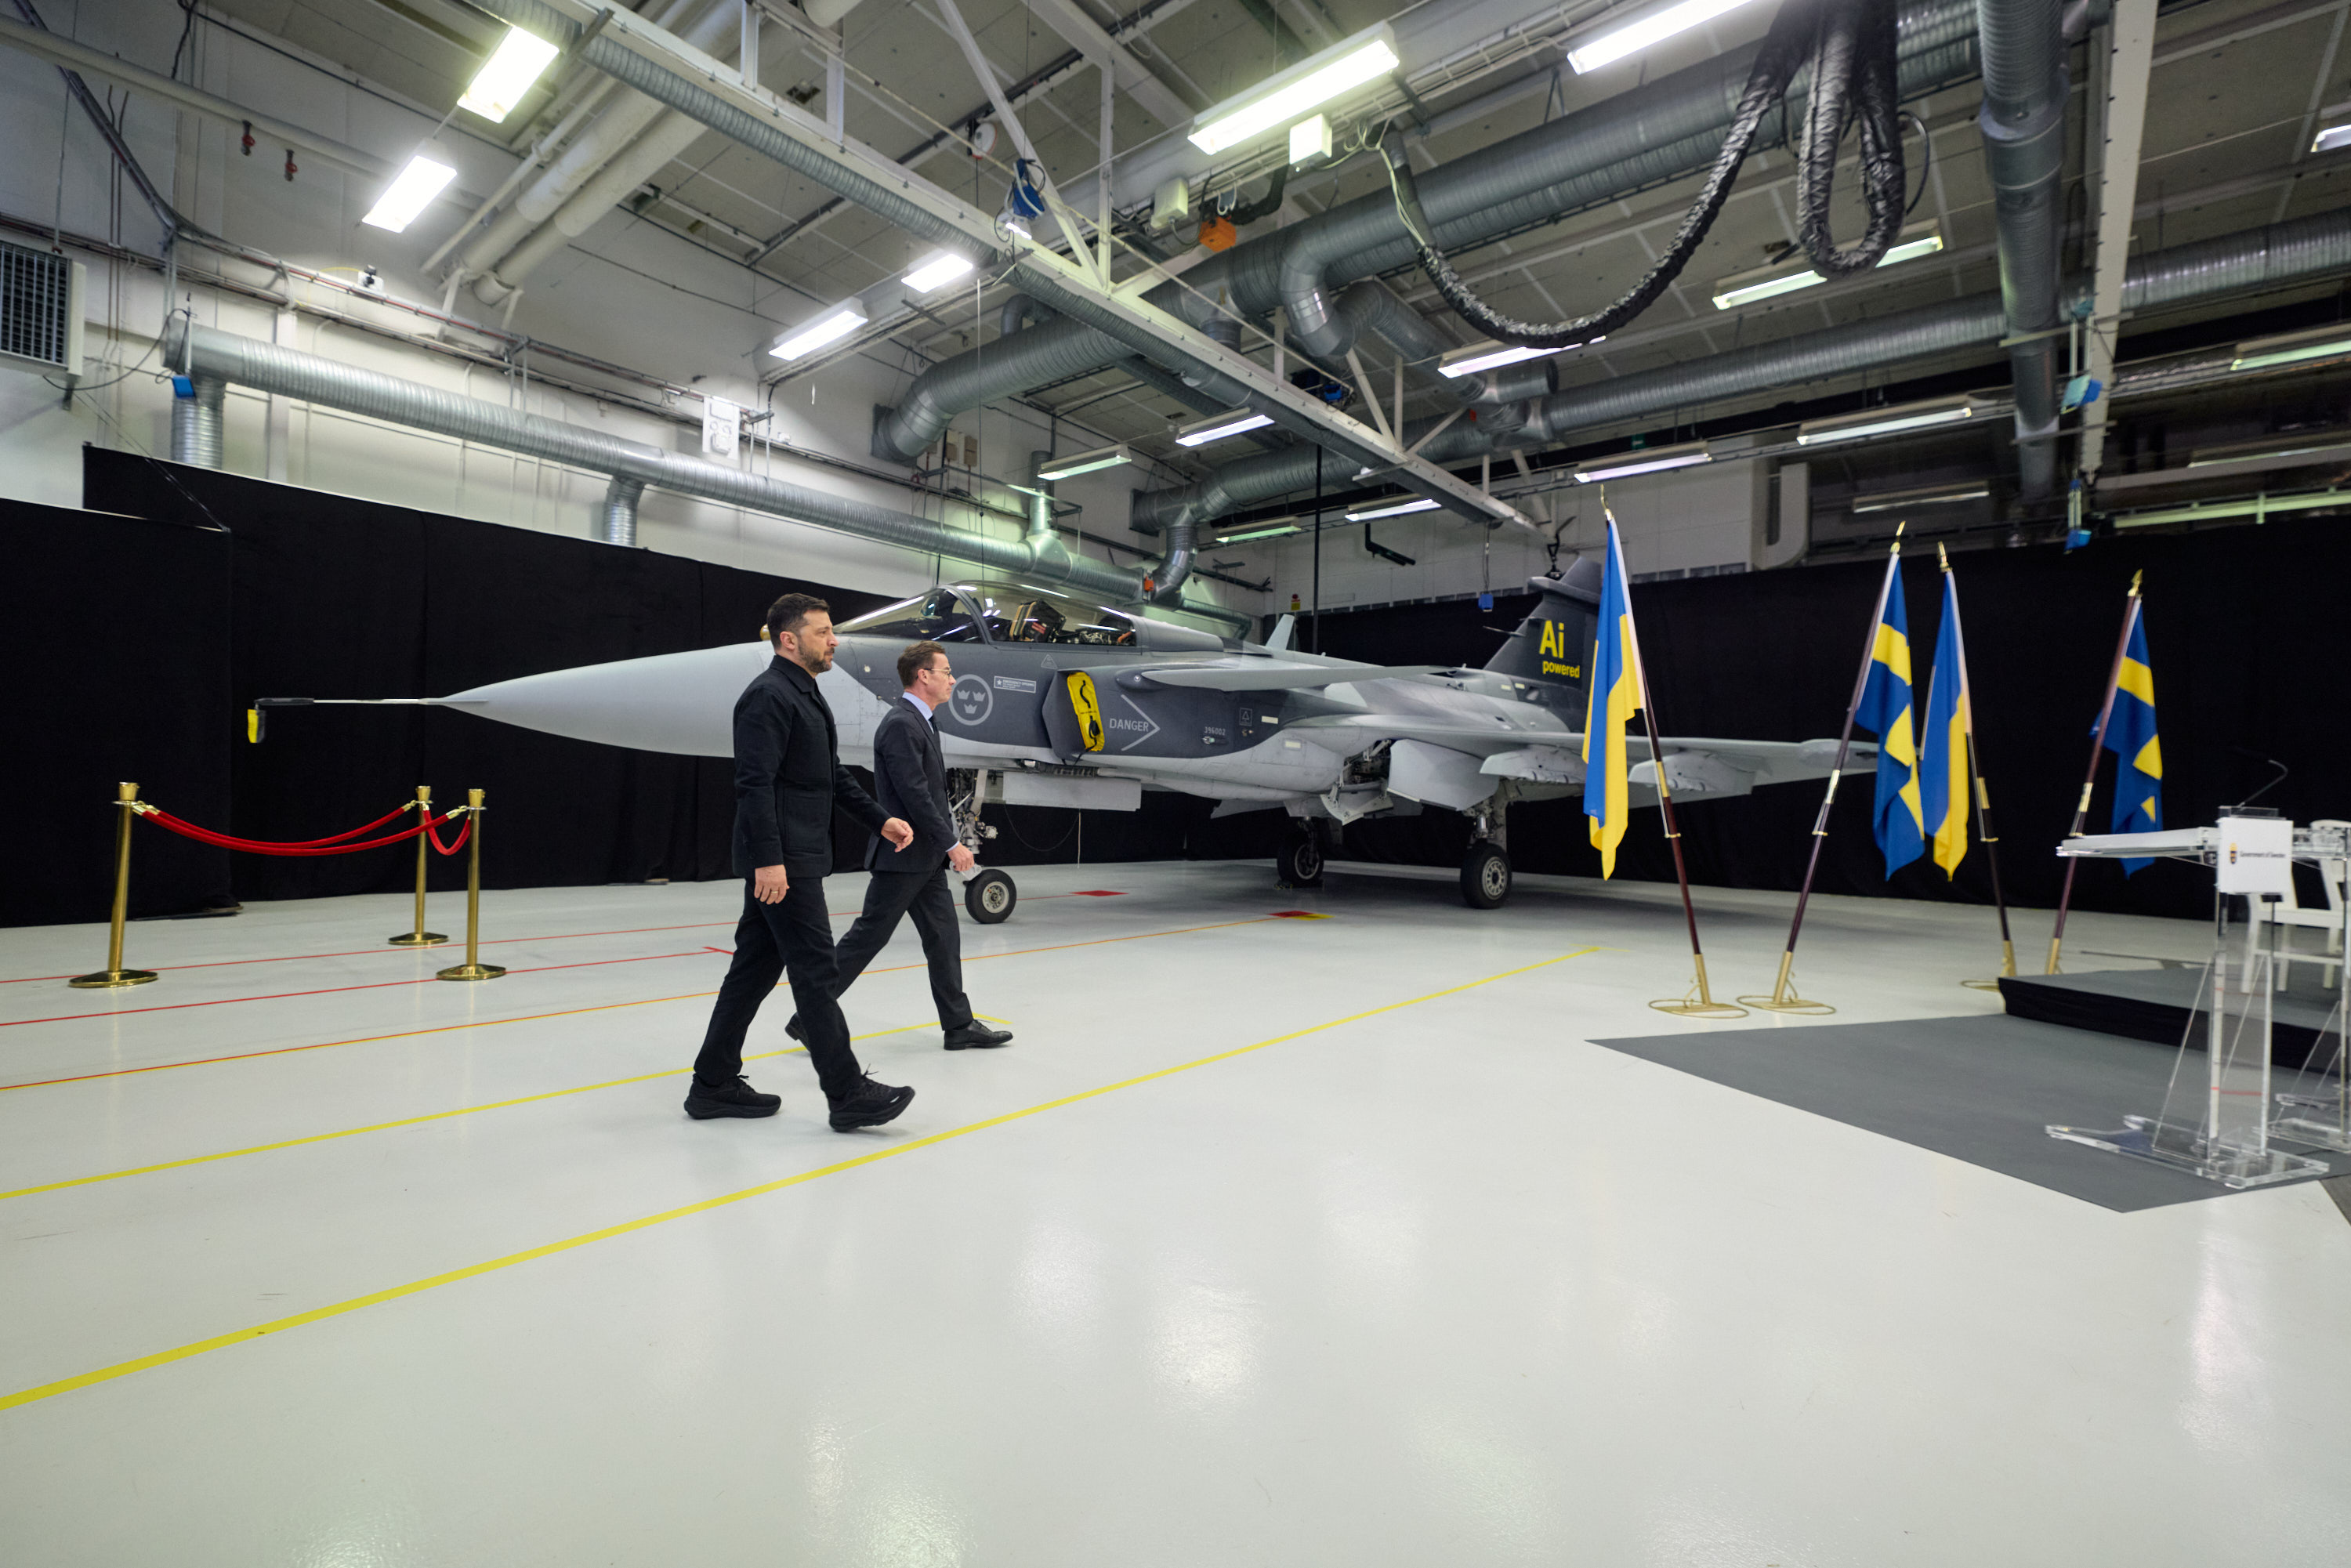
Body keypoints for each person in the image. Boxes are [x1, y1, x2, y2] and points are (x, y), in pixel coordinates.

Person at [686, 593, 918, 1130]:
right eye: (823, 632)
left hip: (795, 857)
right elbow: (754, 784)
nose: (834, 640)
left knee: (752, 971)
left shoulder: (804, 693)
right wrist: (769, 861)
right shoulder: (768, 696)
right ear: (789, 639)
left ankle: (712, 1084)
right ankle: (847, 1092)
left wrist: (880, 820)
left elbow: (831, 776)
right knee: (816, 971)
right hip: (785, 863)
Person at [789, 642, 1013, 1052]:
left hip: (924, 860)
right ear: (923, 676)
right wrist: (952, 843)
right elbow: (915, 795)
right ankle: (809, 1017)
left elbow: (928, 794)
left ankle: (959, 1025)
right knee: (867, 938)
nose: (953, 680)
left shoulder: (923, 722)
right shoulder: (901, 724)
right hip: (903, 857)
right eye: (946, 672)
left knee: (944, 939)